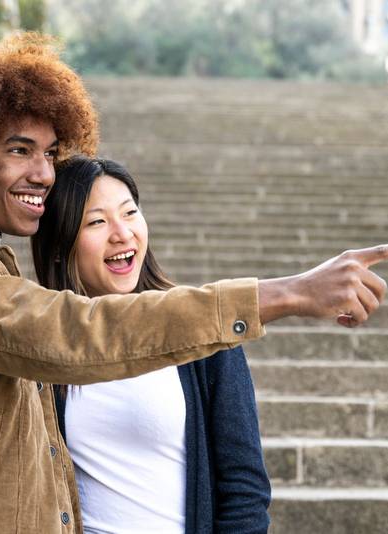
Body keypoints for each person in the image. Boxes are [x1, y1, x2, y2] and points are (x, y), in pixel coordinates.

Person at [0, 32, 388, 534]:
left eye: (49, 153)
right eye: (18, 150)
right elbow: (66, 333)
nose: (44, 173)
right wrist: (286, 293)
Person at [31, 156, 270, 534]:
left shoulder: (201, 329)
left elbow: (244, 488)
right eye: (97, 221)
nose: (122, 233)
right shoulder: (39, 346)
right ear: (61, 244)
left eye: (130, 213)